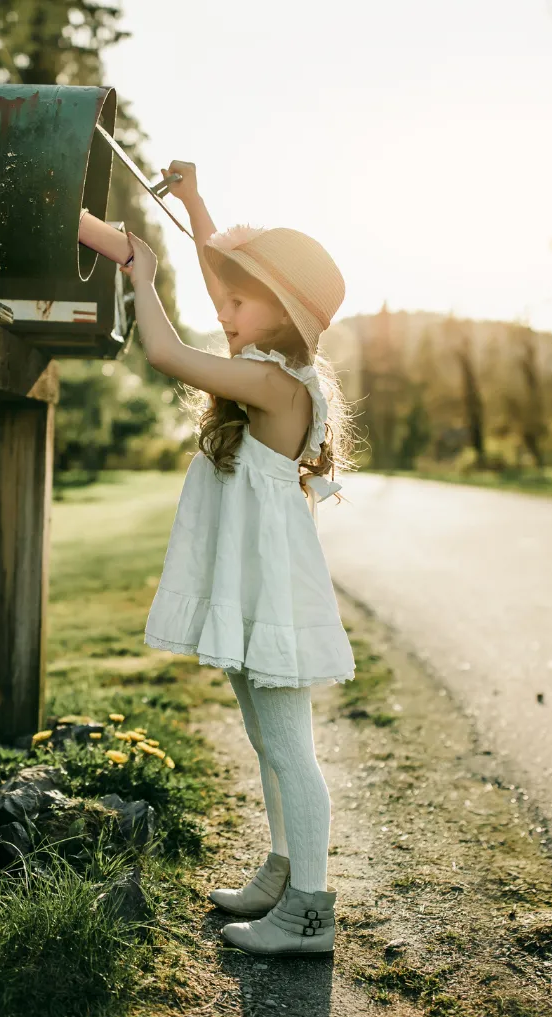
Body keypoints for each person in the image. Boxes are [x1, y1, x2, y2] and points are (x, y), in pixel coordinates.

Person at [121, 160, 356, 959]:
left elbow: (164, 352)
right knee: (265, 741)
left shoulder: (272, 382)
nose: (222, 311)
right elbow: (230, 281)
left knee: (291, 748)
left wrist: (142, 273)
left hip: (271, 594)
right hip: (250, 584)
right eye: (222, 300)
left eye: (239, 304)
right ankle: (284, 871)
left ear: (284, 317)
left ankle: (311, 914)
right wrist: (192, 204)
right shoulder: (275, 366)